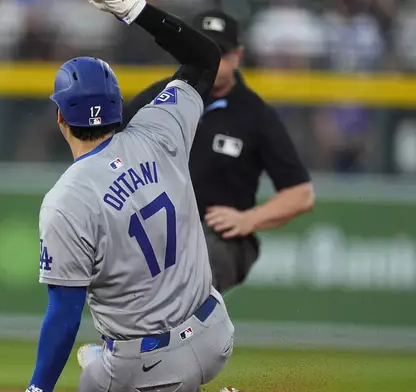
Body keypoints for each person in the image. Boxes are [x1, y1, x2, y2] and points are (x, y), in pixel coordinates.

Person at [25, 1, 234, 392]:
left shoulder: (67, 199)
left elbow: (64, 315)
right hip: (214, 334)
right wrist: (136, 9)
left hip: (148, 366)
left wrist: (37, 389)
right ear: (117, 107)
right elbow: (206, 58)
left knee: (94, 377)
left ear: (60, 118)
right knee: (98, 360)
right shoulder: (159, 129)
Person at [121, 9, 315, 294]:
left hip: (218, 238)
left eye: (220, 52)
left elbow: (301, 194)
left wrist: (247, 219)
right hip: (156, 230)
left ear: (238, 55)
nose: (213, 60)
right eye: (203, 49)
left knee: (190, 280)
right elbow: (112, 145)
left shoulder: (255, 115)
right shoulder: (160, 97)